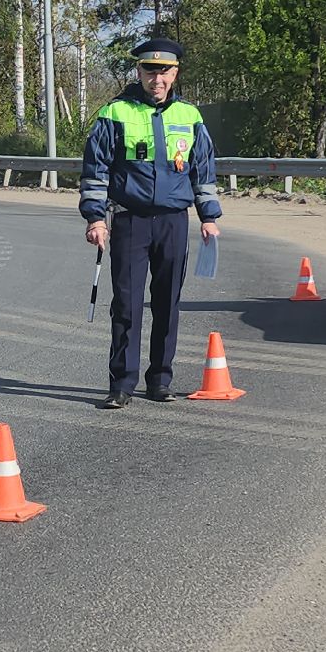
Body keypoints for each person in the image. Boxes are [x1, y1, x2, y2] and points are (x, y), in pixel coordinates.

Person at [78, 38, 223, 409]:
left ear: (175, 73)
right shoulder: (115, 112)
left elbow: (202, 169)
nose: (157, 79)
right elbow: (96, 169)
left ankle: (160, 379)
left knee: (167, 303)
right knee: (127, 305)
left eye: (164, 72)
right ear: (139, 71)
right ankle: (121, 384)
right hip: (130, 221)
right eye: (150, 71)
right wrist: (96, 218)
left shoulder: (190, 116)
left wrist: (208, 216)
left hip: (174, 221)